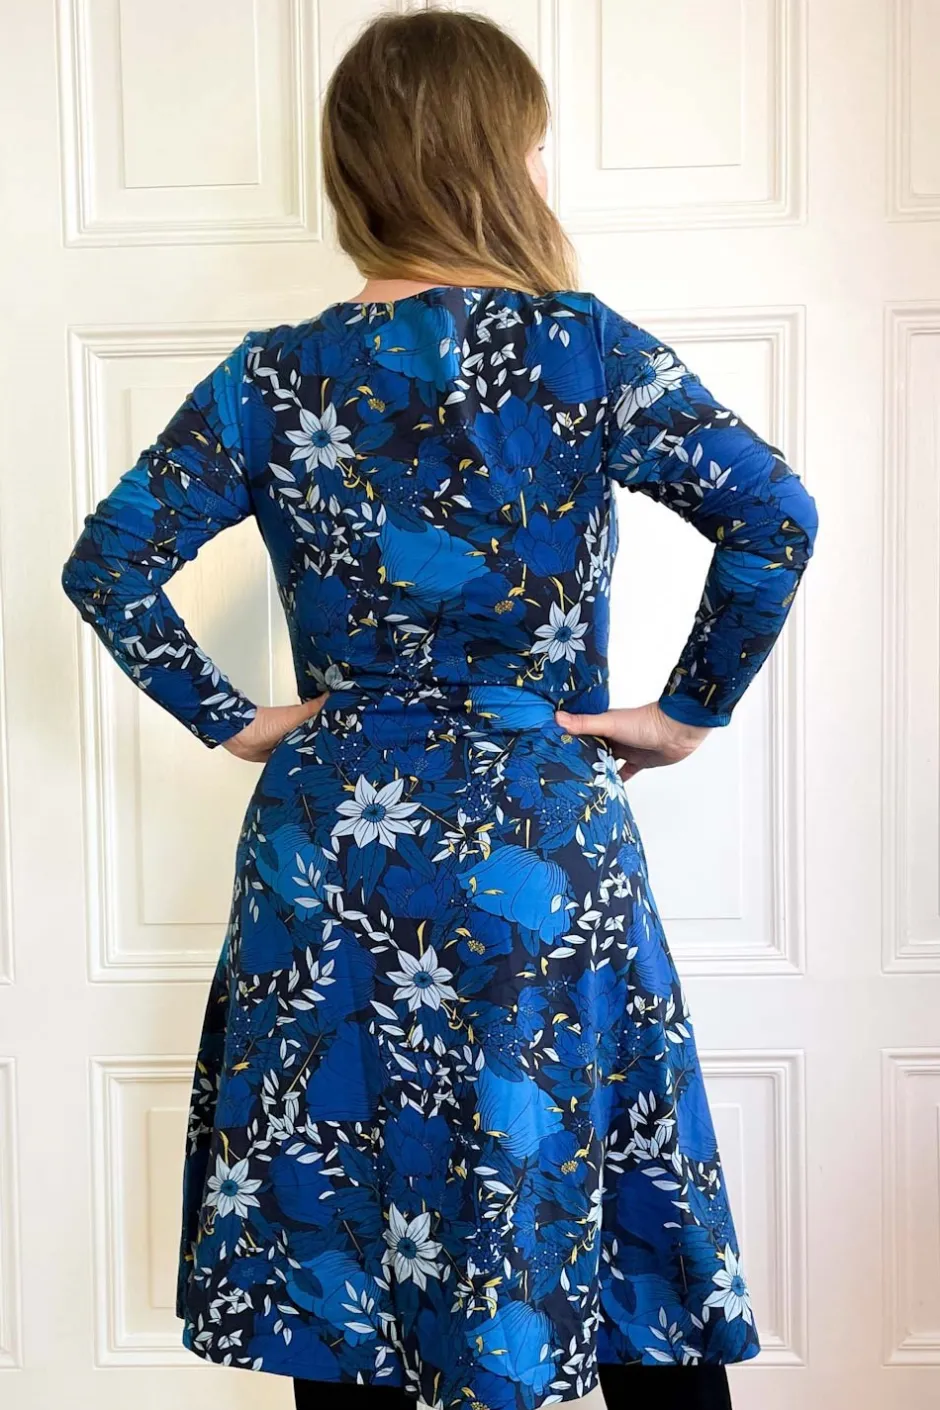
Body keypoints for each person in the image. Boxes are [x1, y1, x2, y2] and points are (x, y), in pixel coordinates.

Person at [60, 10, 818, 1410]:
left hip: (333, 848)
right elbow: (774, 514)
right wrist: (683, 714)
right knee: (622, 1228)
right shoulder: (584, 351)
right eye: (535, 147)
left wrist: (238, 719)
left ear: (359, 169)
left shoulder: (274, 377)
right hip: (539, 834)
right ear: (499, 160)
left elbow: (107, 565)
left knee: (345, 1247)